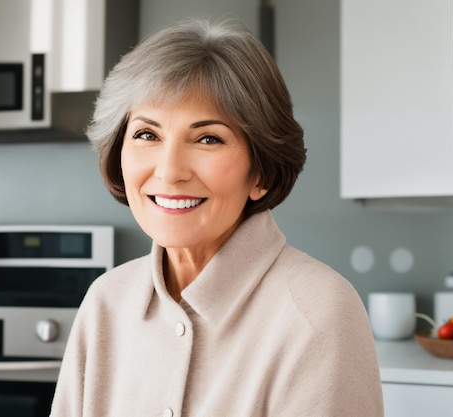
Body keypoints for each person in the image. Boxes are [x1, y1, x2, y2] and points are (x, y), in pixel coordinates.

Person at [51, 18, 383, 417]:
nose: (169, 171)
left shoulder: (318, 312)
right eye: (146, 135)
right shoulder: (106, 301)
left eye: (208, 138)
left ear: (261, 171)